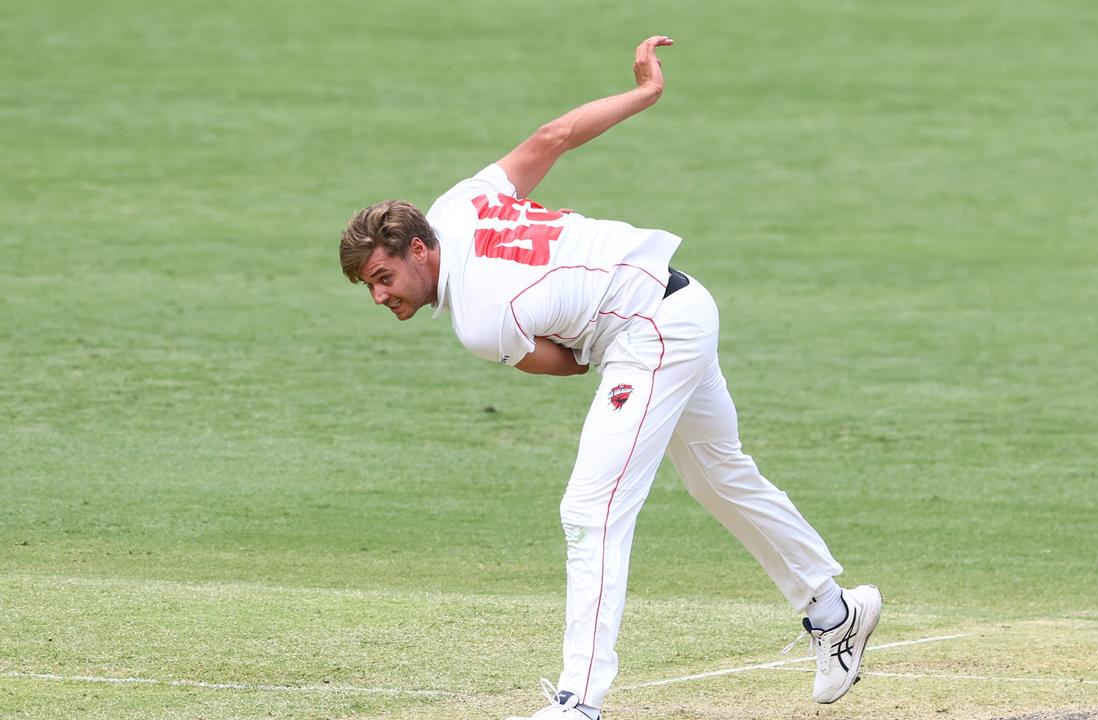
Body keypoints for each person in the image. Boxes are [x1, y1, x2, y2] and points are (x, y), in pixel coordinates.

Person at [338, 36, 881, 720]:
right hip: (683, 301)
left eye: (384, 277)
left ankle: (579, 702)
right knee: (720, 476)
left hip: (649, 331)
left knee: (590, 509)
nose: (381, 296)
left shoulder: (481, 318)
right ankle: (835, 613)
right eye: (369, 286)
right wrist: (645, 93)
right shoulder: (457, 205)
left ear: (418, 250)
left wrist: (589, 319)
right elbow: (553, 137)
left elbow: (569, 362)